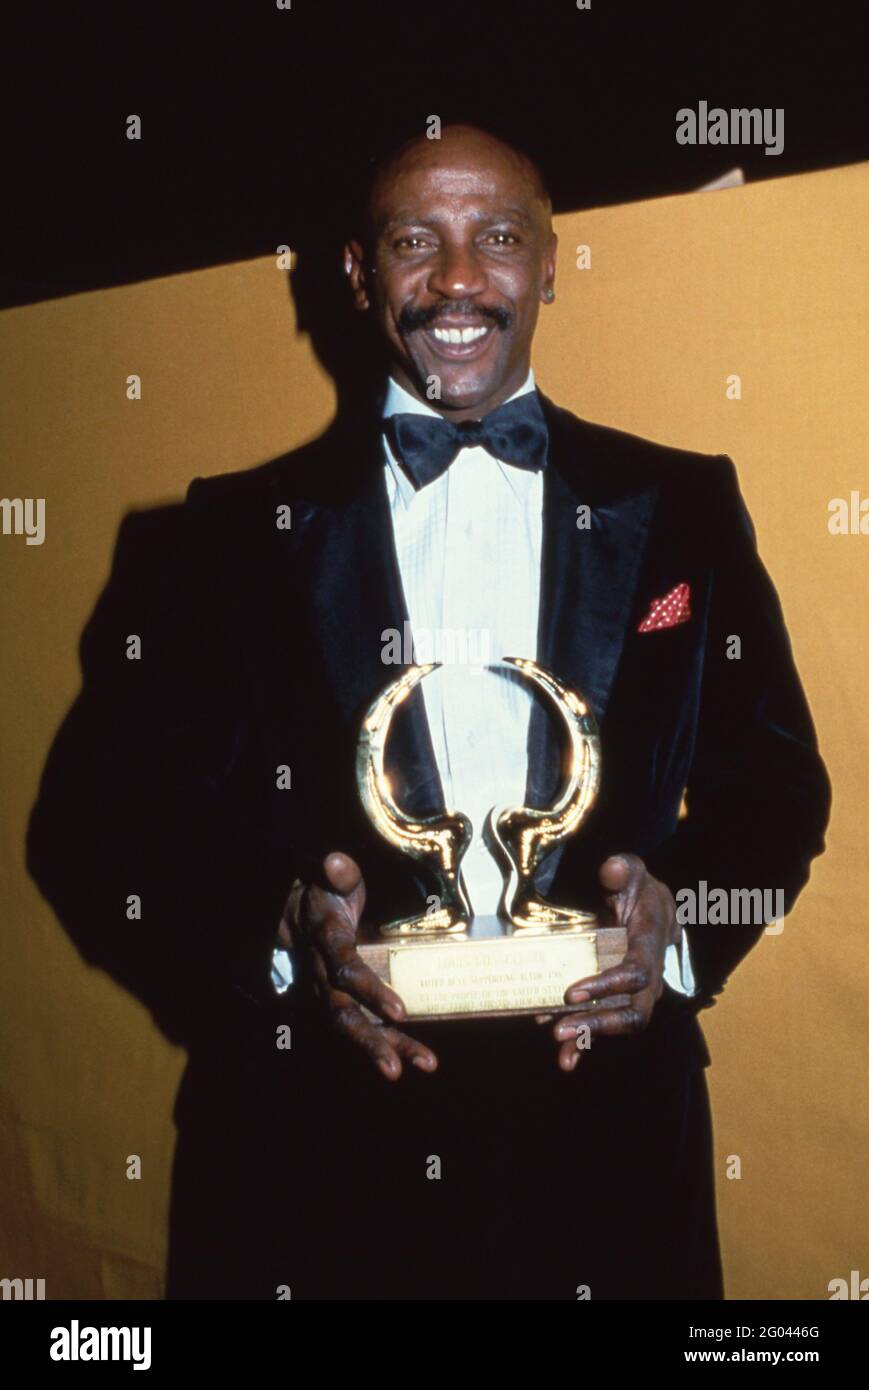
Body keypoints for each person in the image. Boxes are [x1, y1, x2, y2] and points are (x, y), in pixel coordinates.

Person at [28, 124, 831, 1300]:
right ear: (358, 274)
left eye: (497, 238)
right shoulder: (217, 539)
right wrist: (282, 936)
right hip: (312, 1155)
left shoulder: (684, 506)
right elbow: (97, 830)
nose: (458, 279)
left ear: (549, 266)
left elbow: (776, 784)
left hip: (612, 1151)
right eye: (417, 241)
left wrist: (680, 929)